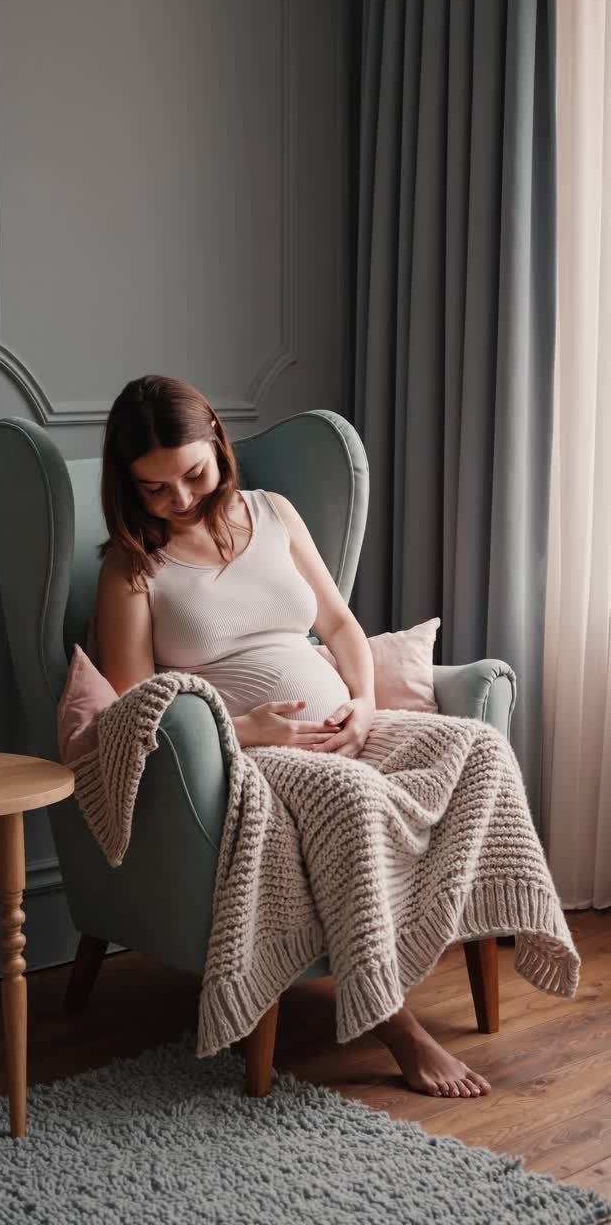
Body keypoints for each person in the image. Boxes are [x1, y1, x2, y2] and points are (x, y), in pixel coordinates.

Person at [95, 374, 491, 1100]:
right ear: (127, 486)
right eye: (153, 488)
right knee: (352, 795)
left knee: (478, 747)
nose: (179, 499)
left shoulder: (274, 513)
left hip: (347, 724)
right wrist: (244, 729)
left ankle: (442, 925)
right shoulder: (132, 564)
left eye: (192, 474)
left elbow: (338, 625)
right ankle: (394, 1022)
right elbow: (132, 703)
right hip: (252, 758)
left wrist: (367, 704)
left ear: (218, 441)